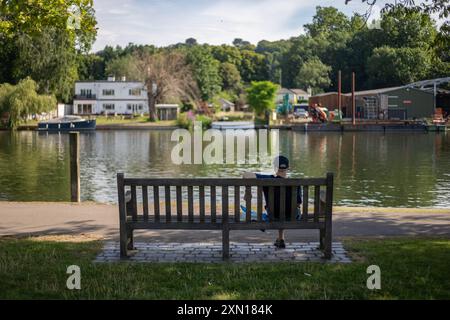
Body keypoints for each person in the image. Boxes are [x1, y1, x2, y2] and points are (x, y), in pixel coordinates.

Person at [243, 155, 302, 249]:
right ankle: (281, 238)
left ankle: (280, 238)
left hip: (273, 215)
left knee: (278, 210)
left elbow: (246, 175)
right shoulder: (296, 183)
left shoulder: (267, 179)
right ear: (288, 168)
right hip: (292, 217)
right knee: (287, 210)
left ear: (275, 167)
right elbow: (298, 203)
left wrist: (248, 191)